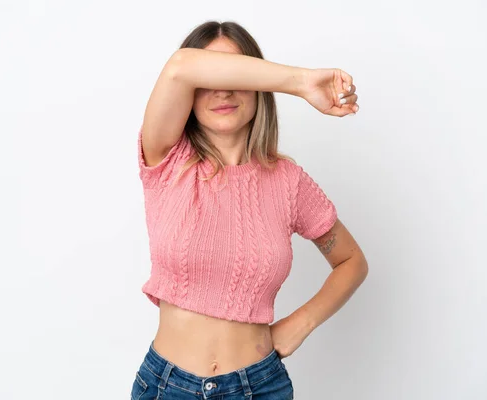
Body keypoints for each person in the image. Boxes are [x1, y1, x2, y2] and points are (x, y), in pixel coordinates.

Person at [131, 20, 368, 399]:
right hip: (167, 387)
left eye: (237, 73)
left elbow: (351, 260)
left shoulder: (288, 182)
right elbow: (179, 67)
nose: (223, 89)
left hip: (260, 387)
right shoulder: (166, 158)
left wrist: (301, 322)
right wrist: (302, 82)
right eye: (210, 75)